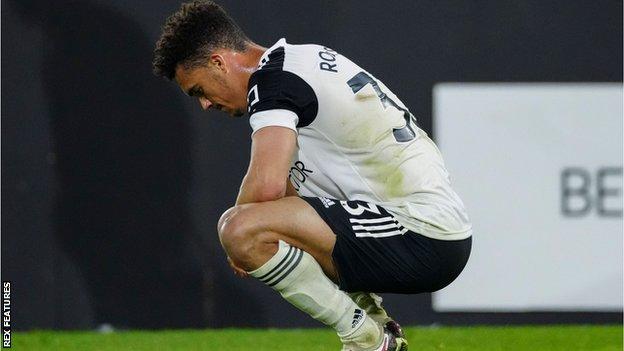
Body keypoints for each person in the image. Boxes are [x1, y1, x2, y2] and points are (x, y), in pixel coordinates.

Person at [153, 1, 472, 350]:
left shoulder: (273, 82)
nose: (205, 105)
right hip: (429, 230)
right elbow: (286, 193)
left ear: (219, 61)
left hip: (420, 234)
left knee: (242, 229)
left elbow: (266, 186)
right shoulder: (302, 59)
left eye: (199, 90)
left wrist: (236, 241)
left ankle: (364, 336)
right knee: (276, 216)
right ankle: (376, 323)